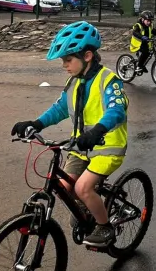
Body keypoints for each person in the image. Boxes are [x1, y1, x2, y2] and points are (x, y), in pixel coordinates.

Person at [11, 20, 128, 248]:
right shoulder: (74, 82)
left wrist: (97, 131)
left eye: (68, 60)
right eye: (63, 61)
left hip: (106, 147)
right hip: (81, 148)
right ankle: (88, 207)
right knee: (65, 188)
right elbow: (61, 109)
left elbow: (116, 110)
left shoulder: (108, 80)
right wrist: (36, 123)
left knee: (82, 188)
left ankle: (105, 226)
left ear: (87, 56)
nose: (64, 65)